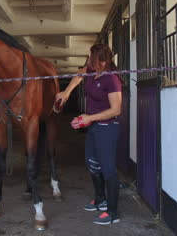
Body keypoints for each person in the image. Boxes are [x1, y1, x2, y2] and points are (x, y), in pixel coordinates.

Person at [56, 44, 122, 225]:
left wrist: (89, 118)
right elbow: (79, 75)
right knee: (91, 162)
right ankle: (100, 200)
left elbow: (116, 109)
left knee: (108, 169)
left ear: (102, 60)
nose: (88, 61)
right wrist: (67, 93)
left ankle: (113, 212)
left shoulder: (112, 79)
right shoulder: (92, 71)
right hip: (94, 126)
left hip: (108, 127)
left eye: (91, 58)